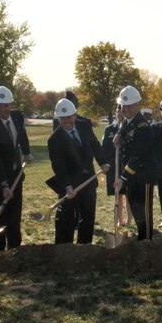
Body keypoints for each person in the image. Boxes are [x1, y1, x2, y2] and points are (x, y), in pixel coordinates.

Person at [0, 85, 34, 250]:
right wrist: (3, 185)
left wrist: (26, 152)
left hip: (15, 173)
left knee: (14, 213)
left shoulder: (17, 117)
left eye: (5, 105)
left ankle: (15, 249)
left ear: (11, 104)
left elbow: (21, 134)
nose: (2, 109)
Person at [47, 98, 108, 244]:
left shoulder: (84, 126)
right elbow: (59, 166)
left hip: (88, 180)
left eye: (69, 117)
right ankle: (64, 249)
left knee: (88, 215)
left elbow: (94, 144)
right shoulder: (54, 140)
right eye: (63, 118)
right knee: (66, 217)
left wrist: (103, 162)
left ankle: (85, 247)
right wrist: (68, 186)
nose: (67, 121)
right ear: (58, 118)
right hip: (70, 183)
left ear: (75, 115)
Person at [113, 86, 156, 241]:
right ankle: (141, 240)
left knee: (144, 212)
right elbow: (124, 132)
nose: (126, 109)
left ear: (138, 104)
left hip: (143, 176)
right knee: (136, 211)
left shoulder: (142, 126)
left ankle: (147, 241)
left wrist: (123, 178)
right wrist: (118, 135)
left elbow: (138, 156)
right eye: (123, 106)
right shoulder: (126, 122)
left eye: (130, 105)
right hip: (132, 177)